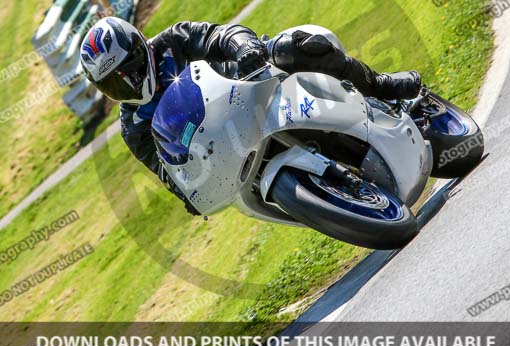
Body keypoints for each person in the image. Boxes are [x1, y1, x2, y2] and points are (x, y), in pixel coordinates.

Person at [79, 16, 421, 214]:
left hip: (255, 88)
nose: (128, 83)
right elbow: (165, 168)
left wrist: (245, 48)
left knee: (300, 46)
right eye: (113, 84)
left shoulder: (173, 40)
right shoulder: (132, 125)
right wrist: (186, 193)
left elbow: (219, 34)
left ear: (140, 47)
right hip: (230, 150)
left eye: (128, 69)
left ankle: (380, 85)